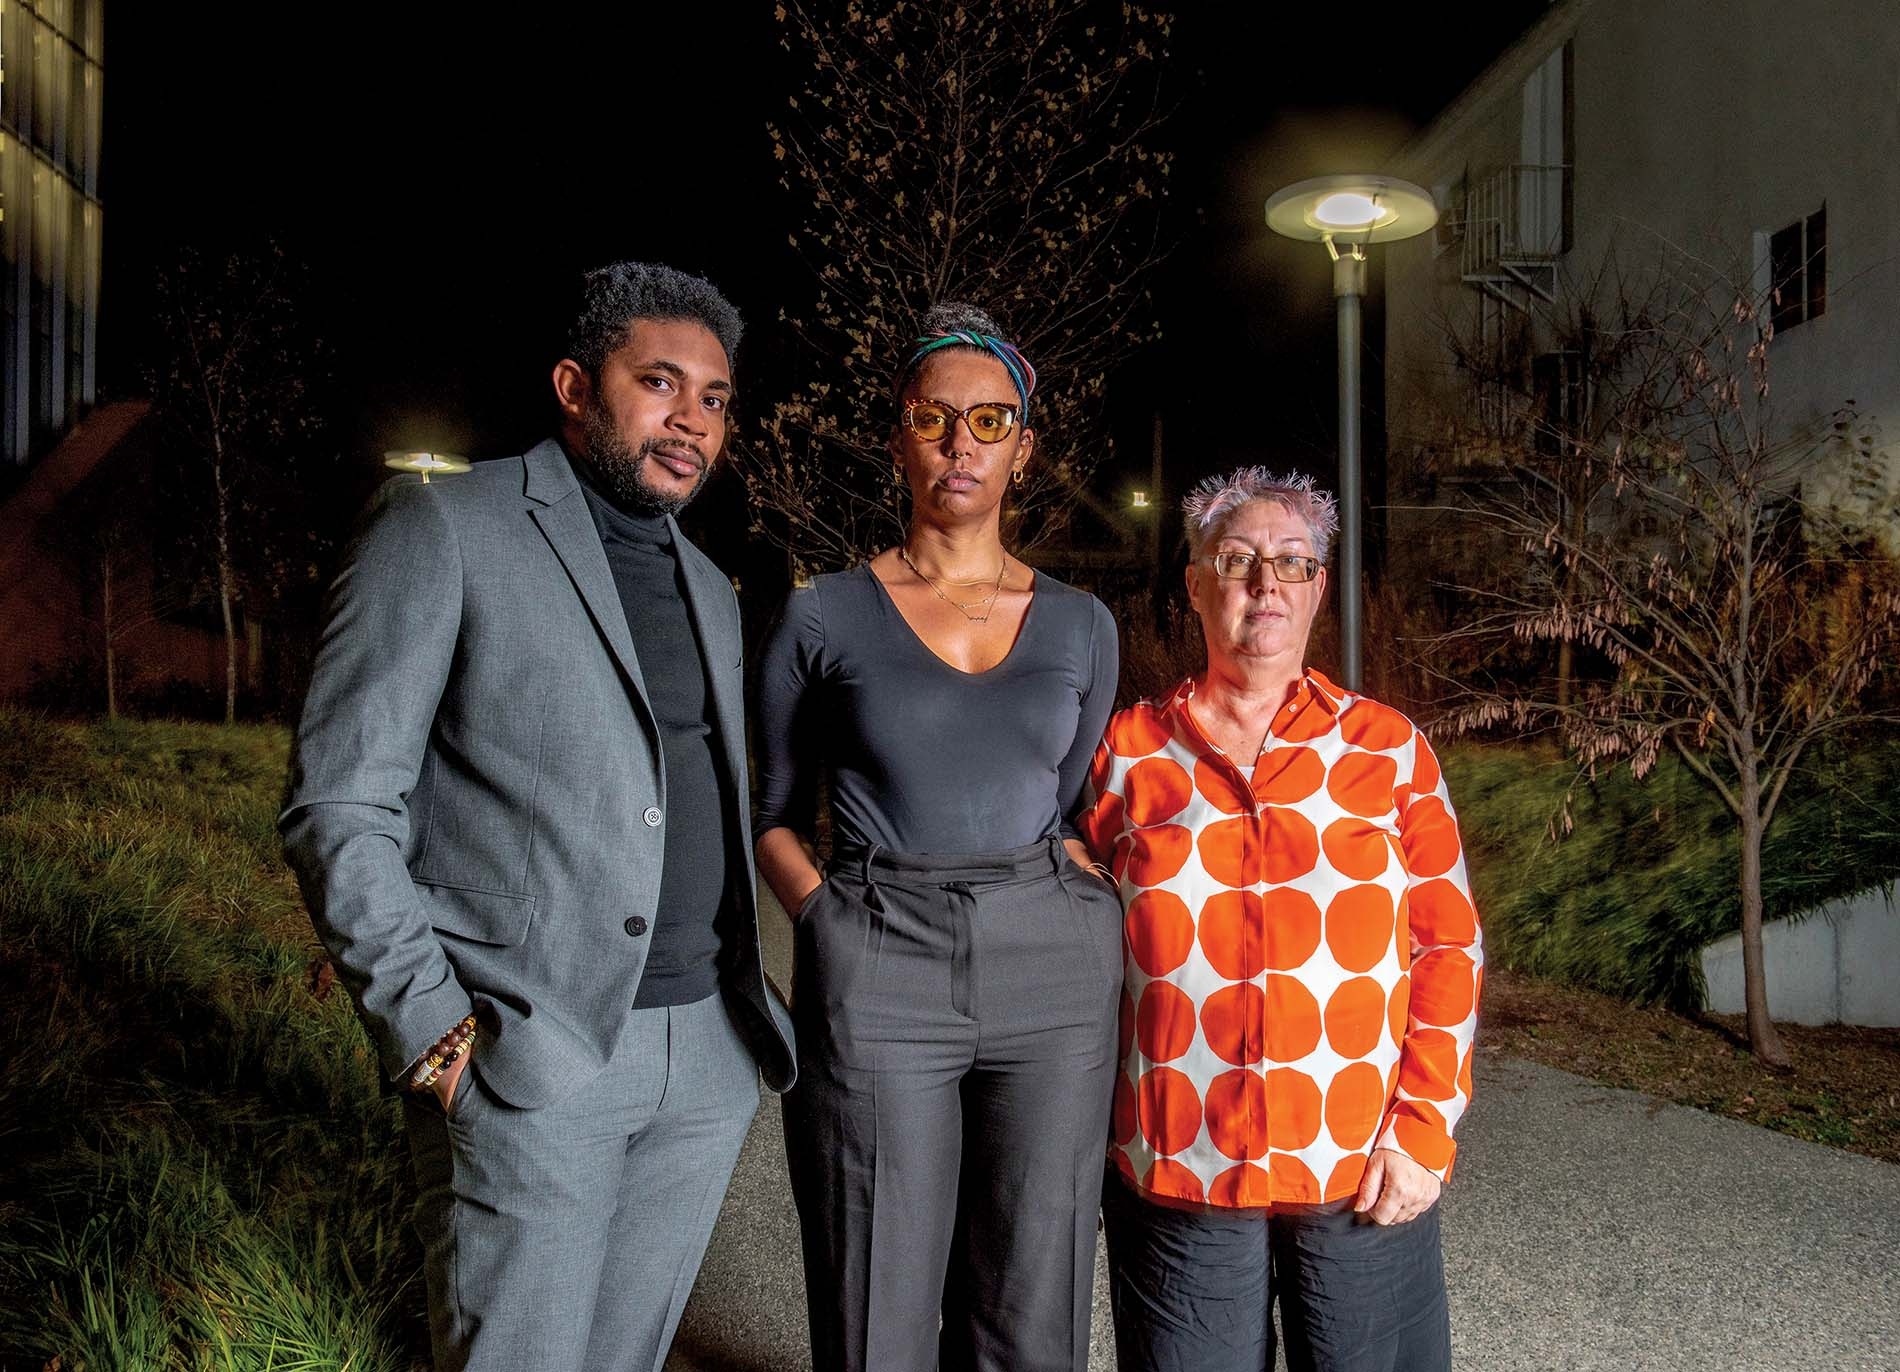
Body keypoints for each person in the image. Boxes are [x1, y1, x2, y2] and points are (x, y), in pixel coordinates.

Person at [280, 261, 796, 1372]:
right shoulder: (444, 528)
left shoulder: (713, 589)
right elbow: (340, 800)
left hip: (703, 1052)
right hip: (532, 1050)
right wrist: (432, 1031)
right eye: (658, 383)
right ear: (573, 385)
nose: (690, 422)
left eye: (713, 399)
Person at [752, 302, 1123, 1372]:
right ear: (897, 437)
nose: (961, 442)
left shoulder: (1080, 625)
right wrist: (825, 917)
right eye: (933, 417)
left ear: (1026, 448)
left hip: (1048, 967)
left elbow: (1065, 799)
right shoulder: (822, 613)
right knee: (878, 1289)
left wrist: (1072, 896)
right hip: (881, 955)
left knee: (1031, 1284)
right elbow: (772, 809)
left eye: (991, 420)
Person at [1077, 468, 1481, 1372]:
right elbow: (1068, 914)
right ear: (1194, 584)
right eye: (1238, 559)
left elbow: (1449, 943)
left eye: (1292, 563)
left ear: (1318, 589)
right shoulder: (1127, 751)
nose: (1266, 583)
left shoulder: (1389, 749)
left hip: (1360, 1164)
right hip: (1180, 1159)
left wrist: (1422, 1130)